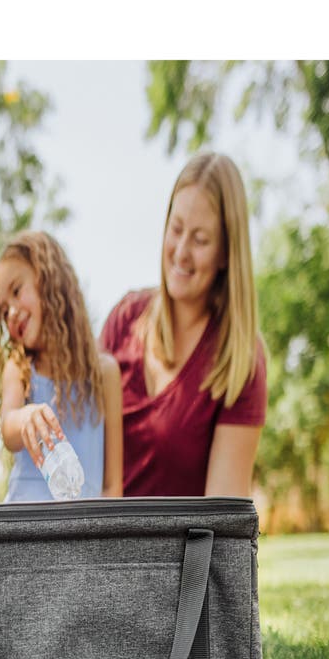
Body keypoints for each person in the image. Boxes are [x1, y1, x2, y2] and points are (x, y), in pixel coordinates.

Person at [99, 151, 267, 497]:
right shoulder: (124, 321)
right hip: (103, 547)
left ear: (225, 254)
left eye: (201, 240)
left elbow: (222, 525)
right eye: (176, 229)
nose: (181, 252)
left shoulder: (240, 359)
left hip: (185, 553)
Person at [0, 230, 123, 501]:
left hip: (84, 537)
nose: (12, 312)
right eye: (4, 310)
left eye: (17, 291)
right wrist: (25, 417)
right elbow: (8, 428)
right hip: (25, 530)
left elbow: (112, 485)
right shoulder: (20, 367)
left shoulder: (105, 374)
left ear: (49, 281)